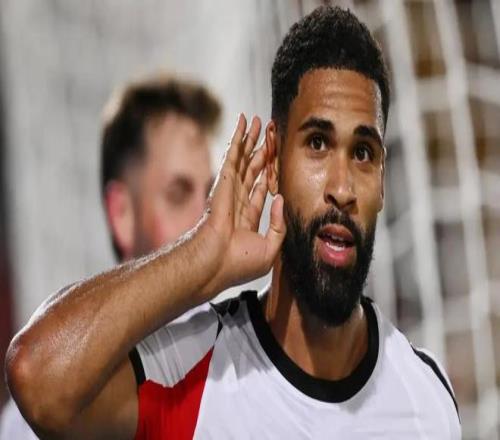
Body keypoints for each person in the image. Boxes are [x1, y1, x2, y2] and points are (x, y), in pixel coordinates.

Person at [5, 6, 461, 439]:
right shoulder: (192, 372)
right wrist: (202, 257)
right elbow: (36, 376)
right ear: (274, 160)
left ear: (382, 180)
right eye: (318, 144)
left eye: (363, 153)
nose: (342, 188)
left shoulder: (426, 401)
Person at [0, 75, 221, 439]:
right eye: (178, 194)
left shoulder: (242, 368)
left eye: (211, 194)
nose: (207, 220)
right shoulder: (34, 417)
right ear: (122, 214)